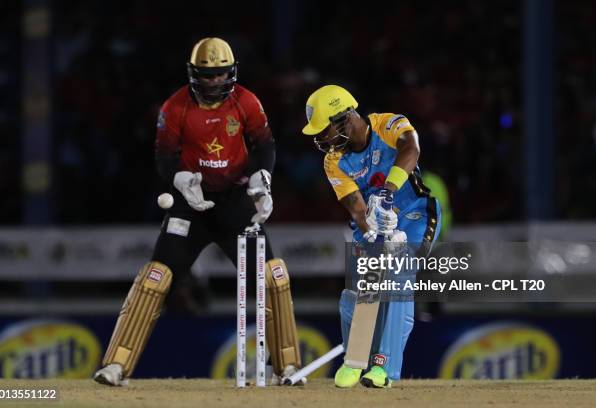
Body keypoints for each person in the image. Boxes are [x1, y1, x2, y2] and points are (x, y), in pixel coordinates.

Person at [94, 37, 302, 386]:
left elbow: (265, 145)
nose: (213, 82)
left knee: (272, 276)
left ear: (230, 73)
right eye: (206, 76)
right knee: (155, 277)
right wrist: (180, 178)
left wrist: (262, 180)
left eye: (220, 75)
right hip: (191, 205)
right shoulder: (174, 108)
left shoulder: (247, 102)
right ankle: (116, 365)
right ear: (194, 75)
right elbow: (164, 156)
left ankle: (288, 367)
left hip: (235, 204)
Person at [301, 85, 442, 388]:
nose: (322, 139)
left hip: (417, 214)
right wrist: (374, 228)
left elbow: (411, 149)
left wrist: (388, 194)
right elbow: (356, 209)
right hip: (374, 220)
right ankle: (356, 359)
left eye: (324, 130)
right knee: (358, 289)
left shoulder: (387, 124)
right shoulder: (333, 161)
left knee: (398, 274)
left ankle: (385, 369)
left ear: (344, 117)